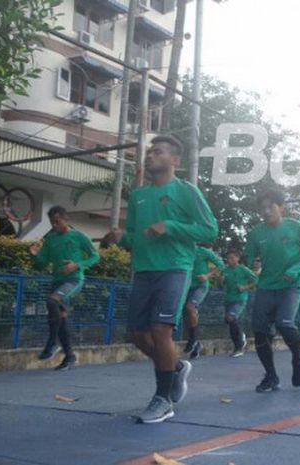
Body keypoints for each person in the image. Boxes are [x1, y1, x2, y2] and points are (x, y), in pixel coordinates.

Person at [116, 135, 218, 423]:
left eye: (157, 152)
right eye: (149, 152)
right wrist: (121, 238)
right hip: (144, 270)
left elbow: (209, 230)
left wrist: (171, 226)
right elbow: (136, 236)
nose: (150, 156)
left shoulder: (186, 191)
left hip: (175, 267)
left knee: (161, 329)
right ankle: (174, 369)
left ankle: (164, 399)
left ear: (174, 160)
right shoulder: (138, 196)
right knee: (137, 333)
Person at [244, 190, 300, 392]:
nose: (266, 211)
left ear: (281, 207)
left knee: (284, 322)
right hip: (267, 285)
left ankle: (297, 357)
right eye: (262, 208)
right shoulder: (256, 233)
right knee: (259, 331)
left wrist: (294, 270)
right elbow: (249, 256)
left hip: (291, 285)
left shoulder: (295, 227)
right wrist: (252, 262)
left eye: (271, 207)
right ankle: (271, 376)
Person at [29, 206, 99, 370]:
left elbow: (96, 256)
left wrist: (77, 265)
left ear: (66, 220)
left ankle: (52, 343)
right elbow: (42, 263)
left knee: (52, 301)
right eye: (52, 222)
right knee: (61, 320)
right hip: (57, 281)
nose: (54, 225)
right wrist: (35, 255)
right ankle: (70, 357)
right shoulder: (50, 240)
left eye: (57, 221)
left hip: (74, 281)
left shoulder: (78, 236)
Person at [183, 245, 225, 359]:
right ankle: (196, 344)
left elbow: (221, 265)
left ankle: (192, 340)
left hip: (200, 286)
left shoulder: (203, 252)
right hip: (185, 286)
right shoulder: (181, 250)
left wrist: (207, 275)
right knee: (185, 314)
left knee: (190, 307)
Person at [221, 249, 257, 357]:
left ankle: (239, 346)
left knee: (231, 318)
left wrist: (245, 287)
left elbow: (256, 280)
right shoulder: (225, 270)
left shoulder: (243, 269)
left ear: (238, 258)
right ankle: (240, 339)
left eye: (232, 258)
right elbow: (222, 284)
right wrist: (221, 281)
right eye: (228, 258)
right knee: (229, 321)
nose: (230, 260)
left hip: (240, 299)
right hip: (229, 299)